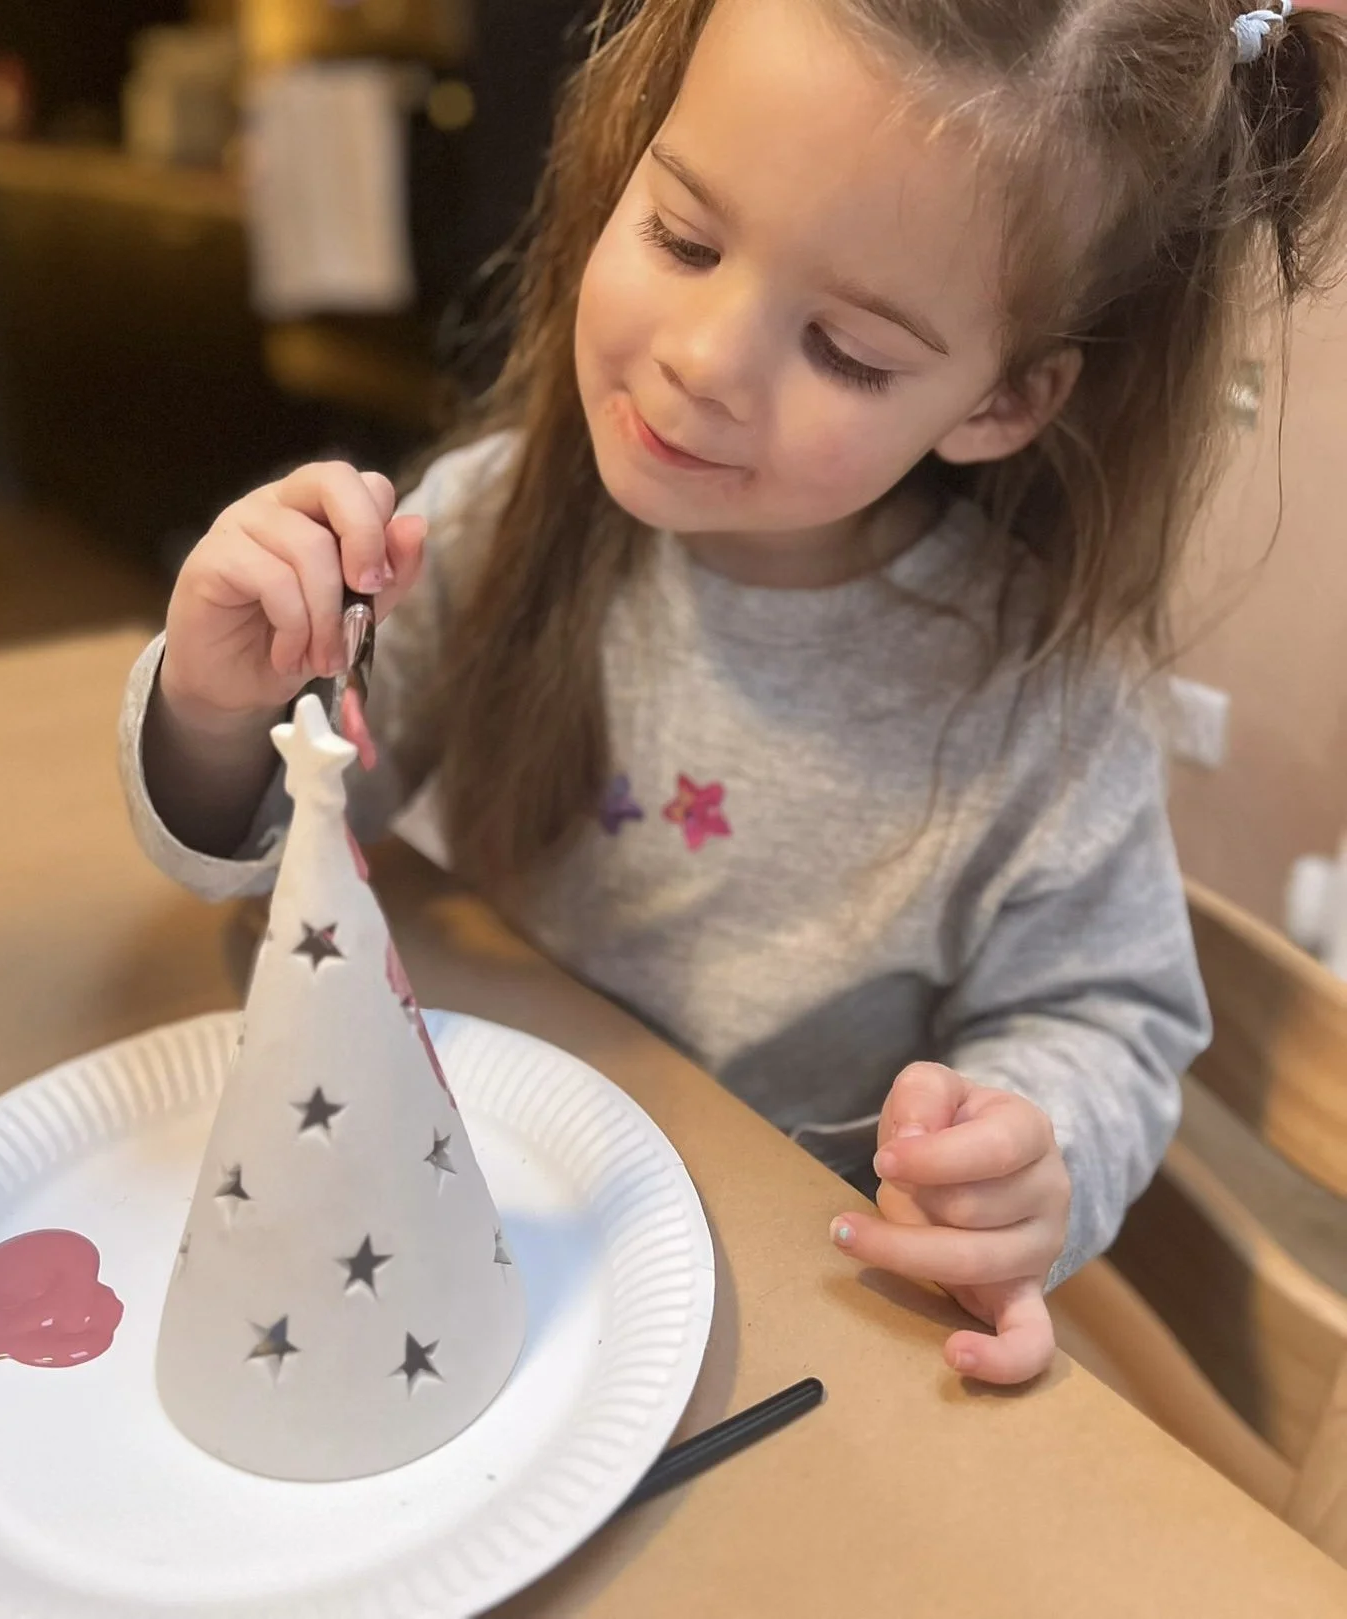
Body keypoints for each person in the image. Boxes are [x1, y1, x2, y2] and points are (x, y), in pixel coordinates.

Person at [120, 0, 1347, 1384]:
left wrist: (1026, 1143)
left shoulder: (1043, 710)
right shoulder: (488, 526)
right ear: (626, 157)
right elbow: (281, 853)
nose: (705, 361)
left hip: (790, 1323)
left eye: (847, 351)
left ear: (1001, 400)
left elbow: (1109, 1022)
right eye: (685, 238)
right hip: (489, 1228)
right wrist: (221, 709)